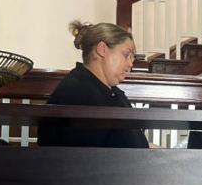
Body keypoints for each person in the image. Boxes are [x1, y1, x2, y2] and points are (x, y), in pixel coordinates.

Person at [37, 20, 150, 148]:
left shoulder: (111, 92)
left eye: (132, 57)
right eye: (126, 55)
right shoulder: (78, 93)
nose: (131, 64)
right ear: (102, 49)